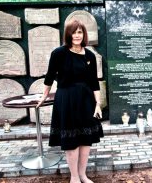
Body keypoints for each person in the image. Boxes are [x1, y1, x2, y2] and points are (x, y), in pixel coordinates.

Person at [37, 19, 104, 183]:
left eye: (80, 32)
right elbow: (50, 76)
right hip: (66, 100)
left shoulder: (90, 55)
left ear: (84, 34)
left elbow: (94, 82)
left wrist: (98, 104)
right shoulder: (59, 53)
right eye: (74, 32)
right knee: (71, 140)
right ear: (68, 34)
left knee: (86, 139)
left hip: (86, 101)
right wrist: (44, 95)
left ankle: (83, 175)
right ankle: (74, 177)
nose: (77, 35)